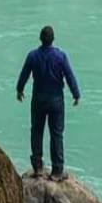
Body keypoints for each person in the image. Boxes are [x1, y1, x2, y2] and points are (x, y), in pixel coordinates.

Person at [16, 25, 80, 181]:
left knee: (37, 131)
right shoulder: (60, 56)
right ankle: (57, 171)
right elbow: (70, 76)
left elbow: (24, 74)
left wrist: (19, 90)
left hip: (38, 99)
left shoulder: (32, 56)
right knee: (56, 134)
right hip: (56, 100)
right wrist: (76, 94)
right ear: (53, 39)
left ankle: (38, 168)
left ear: (40, 39)